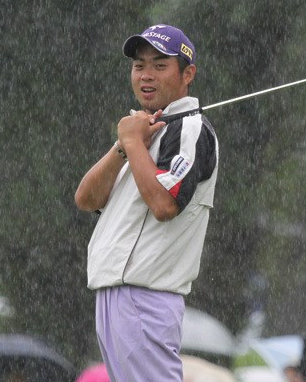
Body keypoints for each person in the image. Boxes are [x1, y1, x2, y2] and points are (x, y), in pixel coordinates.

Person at [75, 24, 219, 382]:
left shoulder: (189, 128)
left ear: (188, 74)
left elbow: (164, 204)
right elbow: (86, 198)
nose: (146, 75)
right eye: (139, 65)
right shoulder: (142, 132)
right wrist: (125, 144)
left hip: (146, 298)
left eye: (159, 65)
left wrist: (133, 142)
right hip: (115, 296)